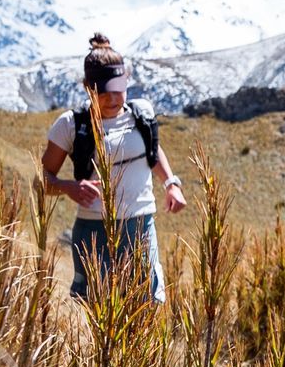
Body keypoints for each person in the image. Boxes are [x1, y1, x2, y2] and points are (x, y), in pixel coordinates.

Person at [41, 36, 187, 302]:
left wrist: (171, 184)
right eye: (103, 92)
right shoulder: (70, 125)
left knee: (147, 308)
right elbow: (43, 181)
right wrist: (68, 187)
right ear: (88, 88)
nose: (112, 99)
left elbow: (152, 152)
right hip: (93, 233)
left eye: (118, 90)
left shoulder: (141, 114)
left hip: (141, 228)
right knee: (102, 320)